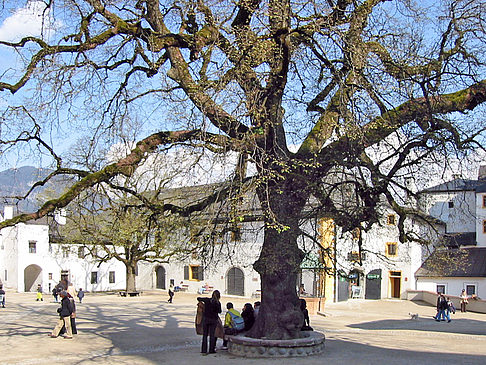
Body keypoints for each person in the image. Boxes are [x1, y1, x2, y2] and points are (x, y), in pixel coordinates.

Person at [197, 290, 222, 354]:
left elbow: (198, 298)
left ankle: (204, 350)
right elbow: (220, 311)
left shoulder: (207, 300)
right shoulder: (218, 303)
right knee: (212, 335)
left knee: (205, 335)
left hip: (206, 319)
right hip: (214, 319)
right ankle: (211, 350)